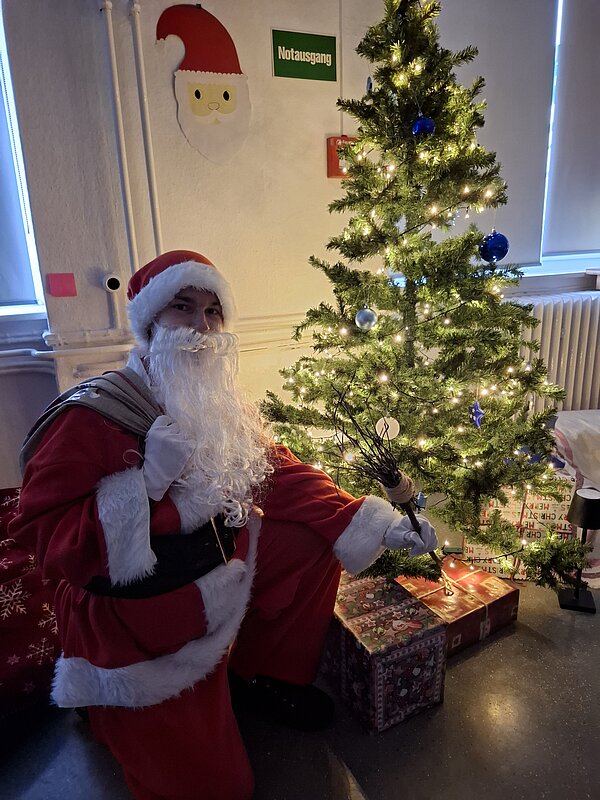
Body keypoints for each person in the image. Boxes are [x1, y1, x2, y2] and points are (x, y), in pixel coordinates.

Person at [10, 250, 438, 800]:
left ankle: (261, 676)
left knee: (314, 536)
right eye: (182, 308)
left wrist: (373, 520)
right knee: (221, 788)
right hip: (138, 620)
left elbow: (275, 470)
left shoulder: (212, 400)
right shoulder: (91, 416)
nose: (201, 326)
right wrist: (144, 487)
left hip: (209, 569)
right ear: (150, 323)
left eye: (213, 312)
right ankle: (111, 708)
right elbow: (44, 539)